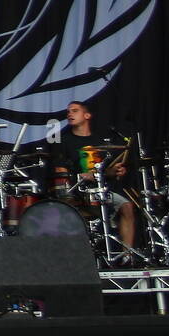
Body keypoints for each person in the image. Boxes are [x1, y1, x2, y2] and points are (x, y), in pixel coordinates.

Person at [56, 100, 135, 255]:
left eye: (74, 110)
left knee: (127, 207)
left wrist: (115, 172)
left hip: (101, 189)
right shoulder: (64, 141)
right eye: (68, 112)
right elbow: (60, 172)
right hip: (78, 190)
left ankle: (127, 256)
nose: (70, 114)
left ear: (87, 115)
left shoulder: (99, 141)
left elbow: (105, 171)